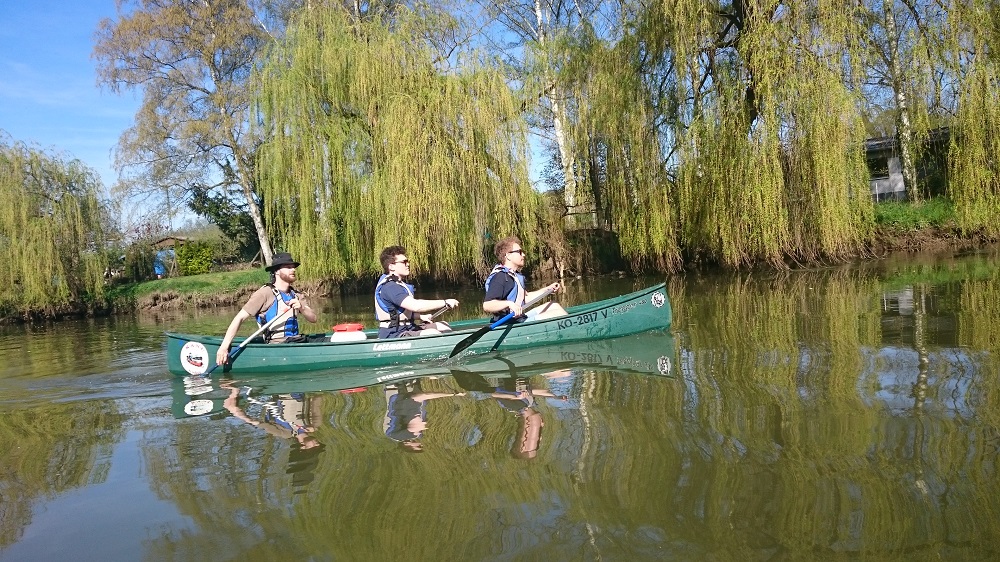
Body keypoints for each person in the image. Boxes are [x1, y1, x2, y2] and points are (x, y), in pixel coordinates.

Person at [216, 252, 318, 367]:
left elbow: (313, 319)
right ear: (277, 271)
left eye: (293, 267)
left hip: (297, 340)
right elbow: (239, 318)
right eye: (288, 267)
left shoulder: (296, 295)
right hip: (279, 344)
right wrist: (224, 347)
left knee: (329, 339)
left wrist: (302, 308)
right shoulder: (264, 293)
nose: (293, 270)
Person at [374, 245, 459, 338]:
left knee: (443, 325)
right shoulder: (390, 287)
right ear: (391, 266)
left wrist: (420, 317)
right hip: (393, 333)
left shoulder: (398, 284)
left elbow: (398, 312)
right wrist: (445, 302)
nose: (408, 264)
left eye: (407, 261)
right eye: (404, 262)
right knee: (432, 333)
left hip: (407, 328)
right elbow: (415, 306)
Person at [483, 236, 567, 322]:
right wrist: (509, 304)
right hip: (508, 323)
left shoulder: (513, 275)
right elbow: (487, 305)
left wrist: (547, 289)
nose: (523, 254)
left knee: (553, 305)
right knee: (558, 313)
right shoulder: (500, 277)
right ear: (508, 256)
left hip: (518, 319)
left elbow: (525, 298)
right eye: (519, 252)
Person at [382, 378, 464, 452]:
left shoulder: (398, 435)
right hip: (408, 393)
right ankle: (416, 379)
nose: (420, 445)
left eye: (418, 447)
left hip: (398, 393)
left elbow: (424, 397)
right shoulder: (414, 433)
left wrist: (452, 394)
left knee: (418, 396)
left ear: (407, 445)